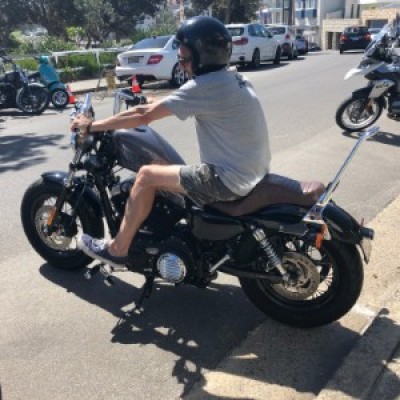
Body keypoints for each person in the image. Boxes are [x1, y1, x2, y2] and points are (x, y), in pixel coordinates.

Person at [71, 16, 271, 268]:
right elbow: (176, 101)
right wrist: (151, 102)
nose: (183, 66)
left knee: (146, 176)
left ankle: (117, 249)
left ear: (202, 57)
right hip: (252, 172)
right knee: (162, 166)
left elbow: (143, 117)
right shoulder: (233, 79)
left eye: (185, 60)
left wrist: (91, 125)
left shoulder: (203, 87)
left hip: (227, 181)